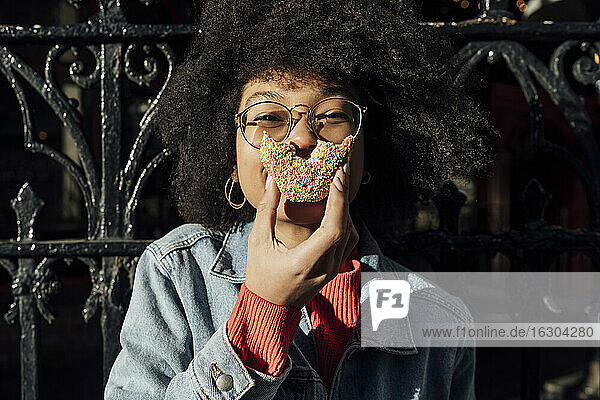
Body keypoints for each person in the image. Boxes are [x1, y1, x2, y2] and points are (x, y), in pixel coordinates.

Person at [104, 0, 497, 398]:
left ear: (369, 151)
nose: (302, 138)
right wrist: (261, 314)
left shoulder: (441, 321)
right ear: (231, 157)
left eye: (330, 116)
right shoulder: (177, 274)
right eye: (269, 117)